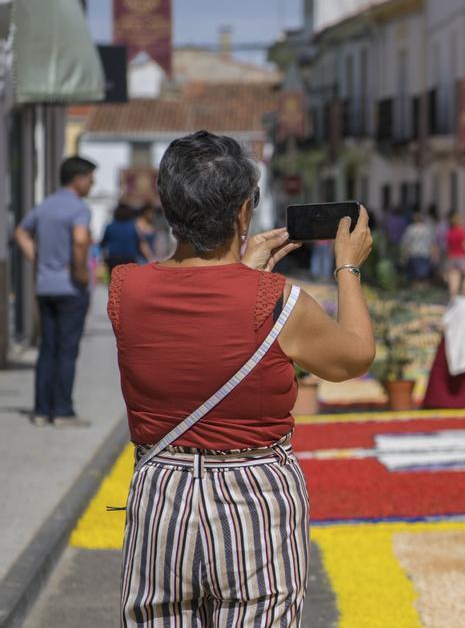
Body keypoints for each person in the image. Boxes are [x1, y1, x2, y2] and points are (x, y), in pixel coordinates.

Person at [107, 131, 375, 625]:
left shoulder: (127, 289)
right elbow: (353, 358)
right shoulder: (277, 302)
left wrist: (240, 269)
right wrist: (348, 266)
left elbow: (196, 307)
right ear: (243, 213)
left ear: (168, 207)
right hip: (254, 494)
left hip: (162, 490)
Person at [14, 156, 97, 428]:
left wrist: (38, 261)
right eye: (90, 179)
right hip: (69, 287)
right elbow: (80, 240)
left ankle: (41, 409)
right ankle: (62, 411)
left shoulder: (45, 206)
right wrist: (81, 274)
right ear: (78, 179)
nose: (92, 184)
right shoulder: (78, 209)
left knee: (47, 347)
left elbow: (21, 233)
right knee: (67, 349)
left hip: (44, 286)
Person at [100, 203, 151, 271]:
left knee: (115, 279)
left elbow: (103, 243)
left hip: (114, 258)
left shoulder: (110, 226)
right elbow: (139, 243)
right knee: (129, 279)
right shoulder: (133, 226)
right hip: (129, 258)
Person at [444, 211, 465, 298]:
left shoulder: (449, 232)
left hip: (452, 257)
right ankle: (464, 295)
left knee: (454, 278)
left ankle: (453, 298)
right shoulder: (462, 232)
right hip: (463, 257)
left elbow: (447, 246)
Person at [401, 212, 437, 284]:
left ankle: (416, 290)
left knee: (414, 275)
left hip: (414, 253)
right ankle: (424, 290)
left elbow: (406, 244)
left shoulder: (410, 229)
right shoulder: (427, 229)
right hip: (425, 253)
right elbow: (432, 243)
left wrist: (404, 256)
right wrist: (434, 254)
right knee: (425, 275)